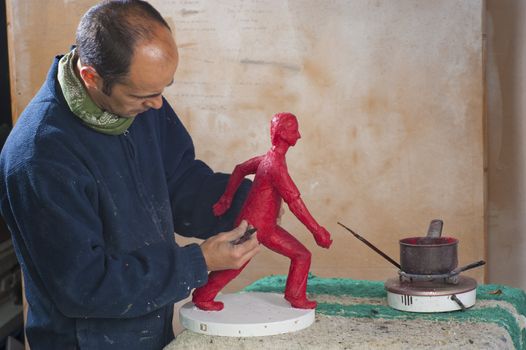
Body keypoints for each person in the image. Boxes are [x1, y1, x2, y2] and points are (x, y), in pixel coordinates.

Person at [0, 1, 260, 349]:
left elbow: (180, 181)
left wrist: (248, 201)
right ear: (91, 76)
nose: (158, 104)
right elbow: (85, 286)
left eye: (164, 88)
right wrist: (198, 262)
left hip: (150, 324)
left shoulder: (139, 102)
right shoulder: (39, 157)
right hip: (87, 341)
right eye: (146, 94)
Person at [192, 112, 332, 311]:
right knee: (238, 261)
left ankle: (294, 295)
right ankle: (203, 295)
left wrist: (227, 198)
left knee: (244, 260)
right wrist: (317, 230)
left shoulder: (269, 158)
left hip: (261, 224)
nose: (299, 135)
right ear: (282, 134)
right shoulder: (275, 165)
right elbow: (294, 202)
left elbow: (240, 169)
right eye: (294, 130)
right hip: (256, 227)